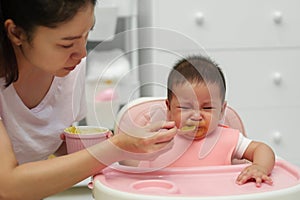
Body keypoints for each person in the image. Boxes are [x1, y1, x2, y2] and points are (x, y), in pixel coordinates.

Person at [0, 0, 177, 199]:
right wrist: (117, 147)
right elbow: (7, 186)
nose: (82, 53)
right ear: (16, 33)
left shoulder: (69, 68)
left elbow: (45, 141)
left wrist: (133, 147)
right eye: (66, 44)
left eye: (87, 34)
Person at [122, 55, 275, 187]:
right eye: (186, 107)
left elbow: (262, 149)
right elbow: (126, 163)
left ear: (222, 110)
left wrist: (260, 167)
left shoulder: (228, 138)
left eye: (207, 108)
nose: (196, 115)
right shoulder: (159, 138)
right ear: (169, 109)